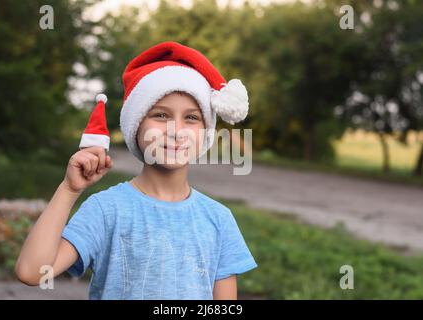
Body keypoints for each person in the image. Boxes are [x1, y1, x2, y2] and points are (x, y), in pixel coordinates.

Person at [15, 41, 257, 300]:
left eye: (192, 118)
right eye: (161, 116)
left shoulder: (218, 219)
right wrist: (69, 189)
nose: (176, 130)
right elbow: (32, 272)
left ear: (205, 133)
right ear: (136, 127)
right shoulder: (106, 210)